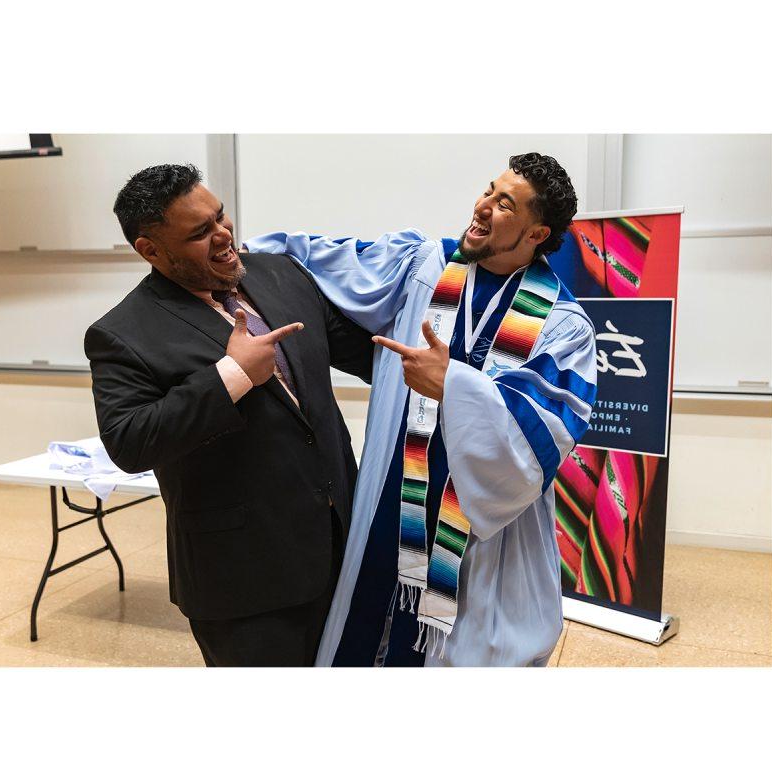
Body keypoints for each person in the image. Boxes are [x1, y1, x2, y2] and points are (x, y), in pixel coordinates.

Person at [244, 152, 598, 667]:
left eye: (505, 205)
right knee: (367, 629)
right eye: (488, 191)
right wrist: (248, 251)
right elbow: (333, 259)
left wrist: (451, 386)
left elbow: (541, 438)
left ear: (537, 233)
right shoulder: (426, 266)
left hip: (482, 532)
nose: (483, 208)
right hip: (393, 495)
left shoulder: (564, 326)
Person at [85, 164, 374, 667]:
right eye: (200, 233)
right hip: (243, 581)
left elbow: (362, 351)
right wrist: (232, 376)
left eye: (221, 218)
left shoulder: (281, 273)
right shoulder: (121, 333)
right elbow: (128, 442)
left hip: (340, 543)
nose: (223, 237)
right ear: (150, 250)